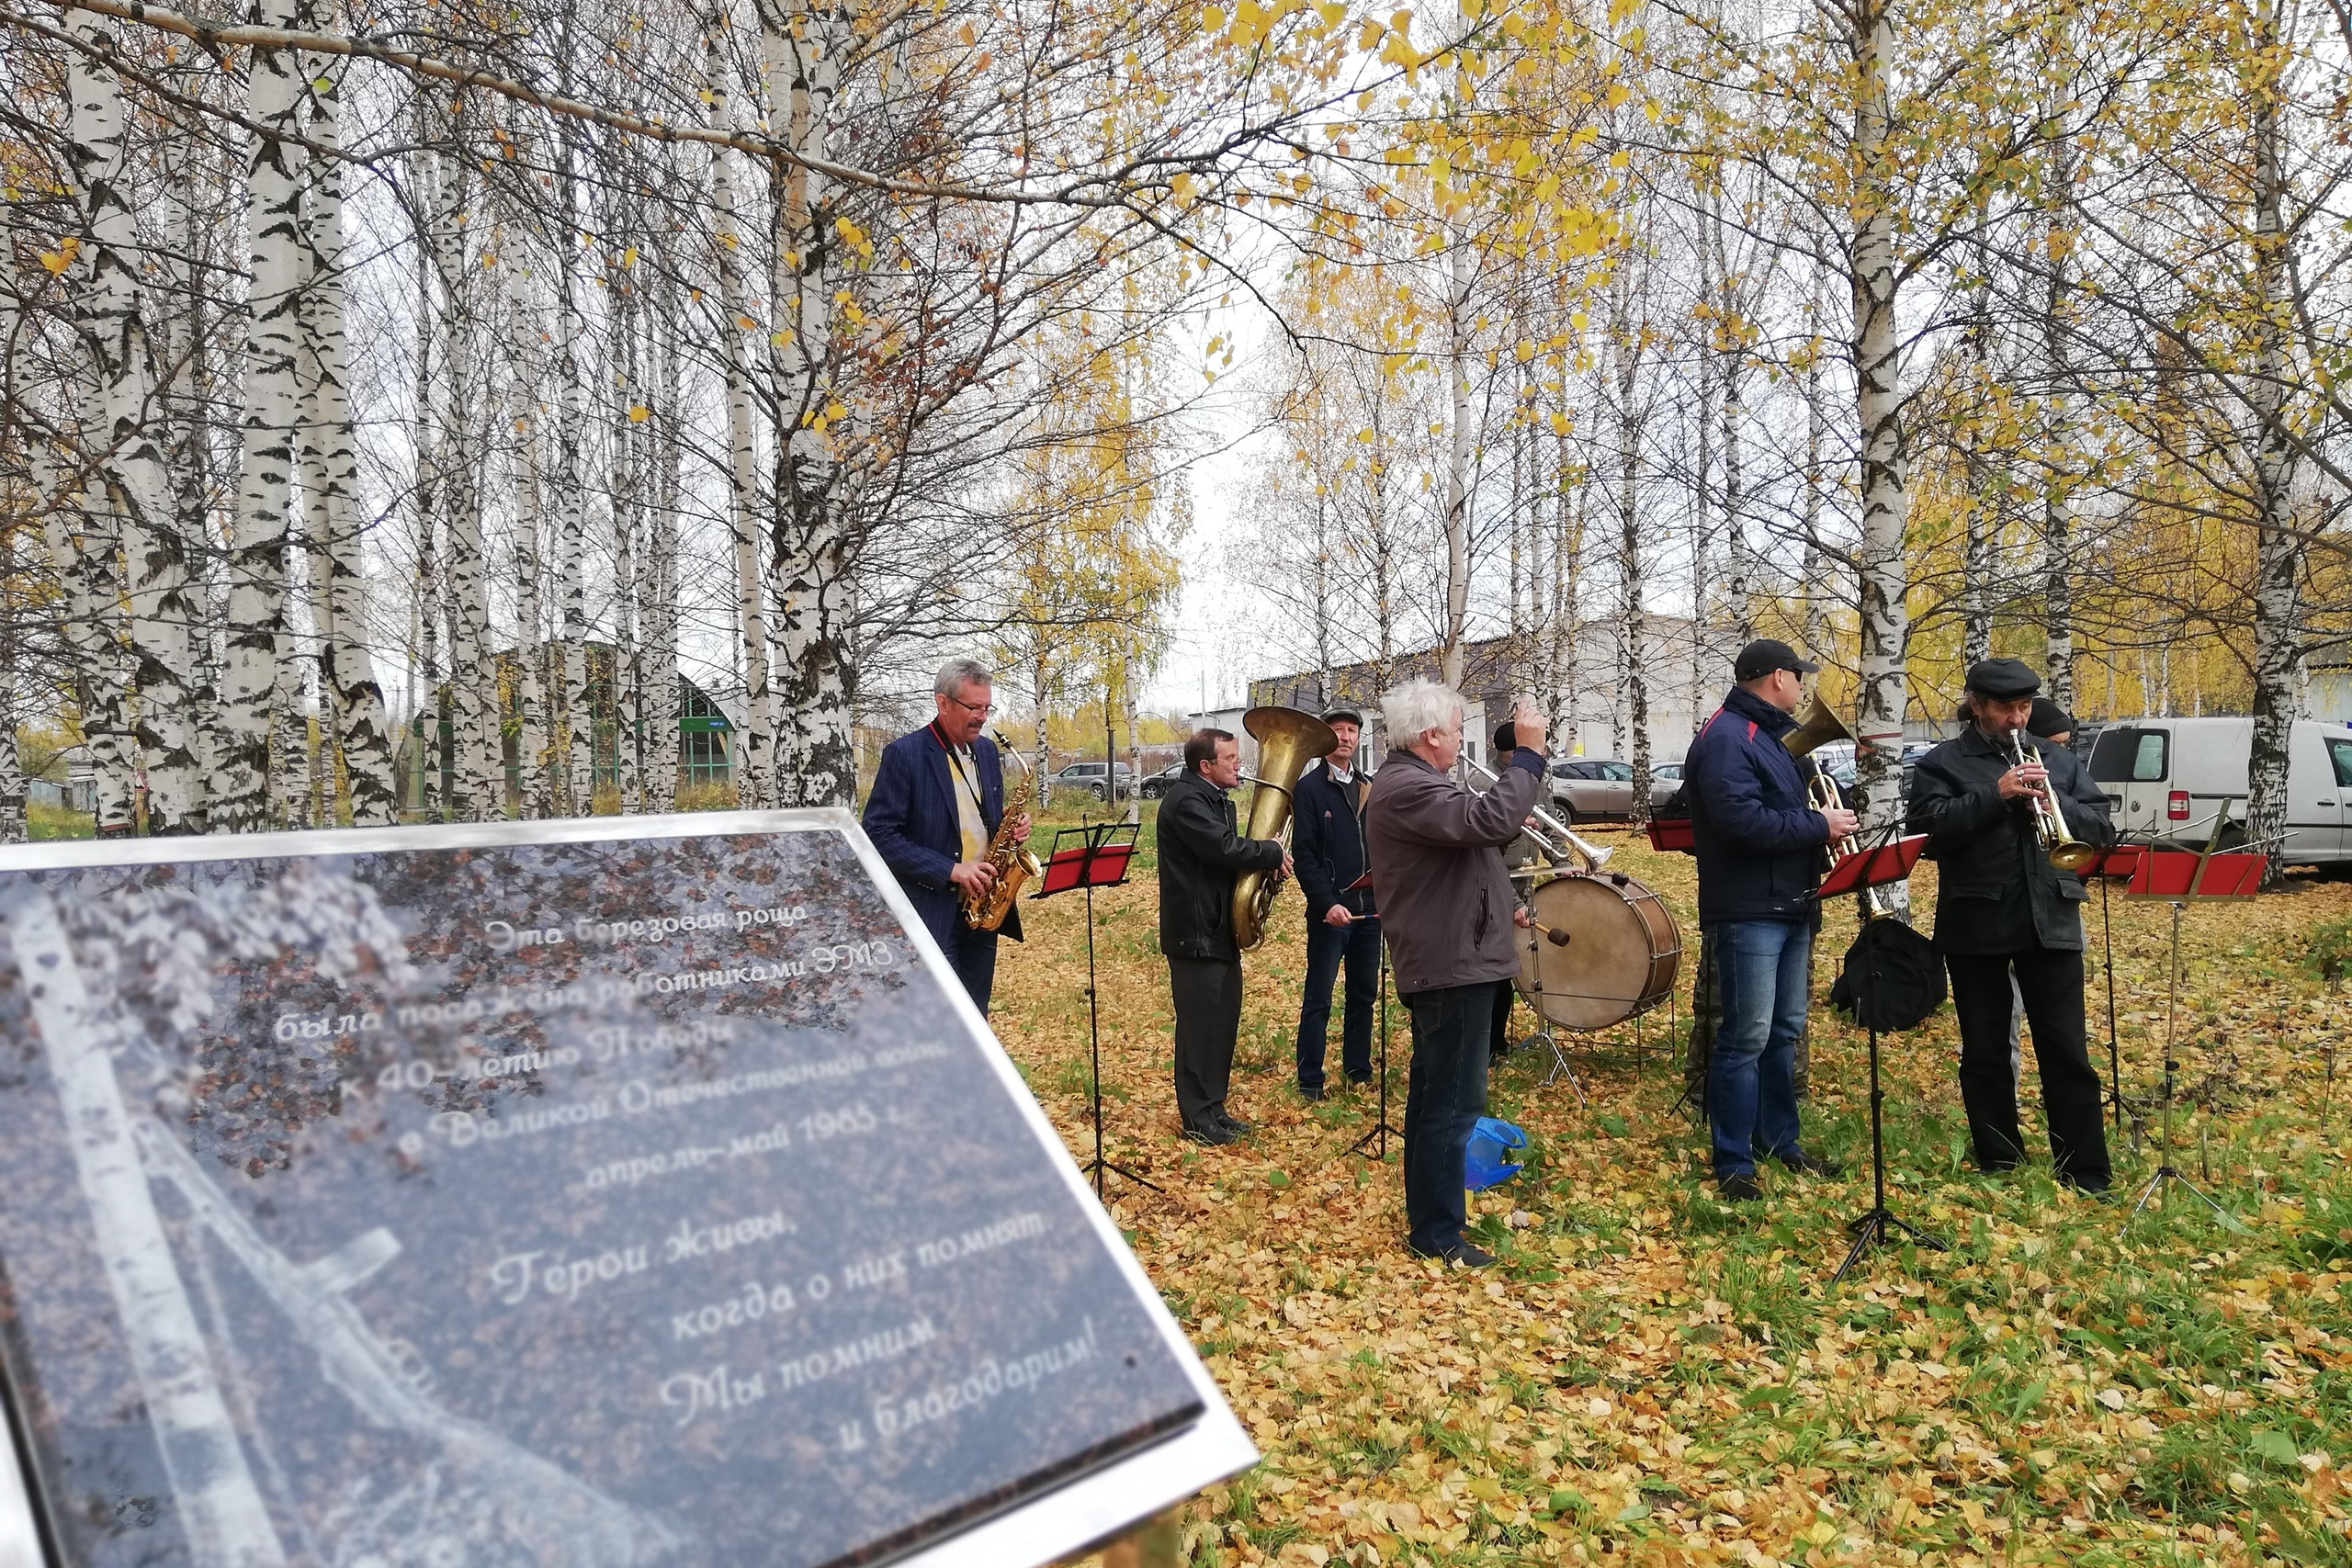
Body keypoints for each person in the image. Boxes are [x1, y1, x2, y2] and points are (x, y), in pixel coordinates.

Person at [1907, 657, 2117, 1193]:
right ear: (1976, 705)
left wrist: (2055, 798)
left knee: (2066, 1048)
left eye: (2024, 707)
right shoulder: (1941, 763)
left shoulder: (2059, 760)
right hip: (1977, 919)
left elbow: (2100, 827)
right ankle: (1999, 1158)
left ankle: (2085, 1168)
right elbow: (1928, 835)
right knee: (1984, 1047)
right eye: (2005, 708)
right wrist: (1996, 794)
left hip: (2052, 916)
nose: (2017, 719)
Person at [1364, 680, 1546, 1269]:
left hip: (1456, 957)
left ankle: (1430, 1221)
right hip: (1450, 964)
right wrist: (1529, 755)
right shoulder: (1406, 788)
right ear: (1431, 735)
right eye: (1459, 726)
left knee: (1435, 1098)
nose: (1463, 737)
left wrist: (1502, 902)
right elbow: (1489, 821)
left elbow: (1474, 849)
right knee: (1452, 1105)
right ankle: (1438, 1235)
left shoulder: (1418, 784)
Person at [1684, 638, 1858, 1201]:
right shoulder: (1728, 737)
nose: (1803, 687)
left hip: (1788, 902)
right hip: (1750, 909)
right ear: (1777, 678)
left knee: (1783, 1032)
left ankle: (1779, 1142)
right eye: (1798, 677)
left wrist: (1820, 820)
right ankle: (1733, 1160)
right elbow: (1740, 822)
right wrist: (1819, 828)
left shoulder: (1769, 738)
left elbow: (1780, 807)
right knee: (1746, 1035)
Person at [861, 657, 1029, 1016]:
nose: (983, 717)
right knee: (939, 1021)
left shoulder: (986, 751)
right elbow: (878, 833)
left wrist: (1010, 828)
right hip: (932, 912)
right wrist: (952, 871)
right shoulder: (905, 754)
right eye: (974, 707)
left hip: (983, 911)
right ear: (943, 703)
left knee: (976, 1018)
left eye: (987, 707)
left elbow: (977, 817)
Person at [1158, 728, 1290, 1145]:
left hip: (1218, 930)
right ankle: (1197, 1119)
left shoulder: (1214, 799)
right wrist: (1270, 852)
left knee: (1222, 1022)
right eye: (1231, 758)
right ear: (1206, 766)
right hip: (1195, 934)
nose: (1238, 764)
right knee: (1199, 1028)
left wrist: (1266, 867)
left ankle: (1214, 1107)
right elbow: (1224, 848)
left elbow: (1227, 858)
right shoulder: (1187, 803)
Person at [1291, 708, 1378, 1100]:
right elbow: (1304, 855)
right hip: (1331, 914)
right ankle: (1310, 1079)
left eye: (1352, 731)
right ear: (1326, 738)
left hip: (1369, 910)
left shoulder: (1369, 786)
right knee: (1319, 998)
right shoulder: (1308, 788)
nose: (1345, 736)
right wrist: (1326, 903)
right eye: (1338, 730)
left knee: (1364, 994)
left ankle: (1358, 1069)